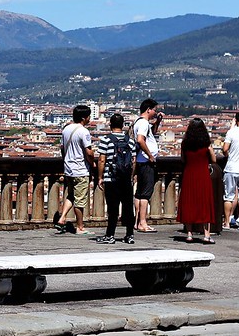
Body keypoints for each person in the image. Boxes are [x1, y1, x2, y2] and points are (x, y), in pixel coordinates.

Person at [54, 105, 95, 235]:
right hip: (80, 169)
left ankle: (62, 218)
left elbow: (62, 148)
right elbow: (88, 152)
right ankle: (80, 227)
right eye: (88, 116)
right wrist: (92, 164)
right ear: (84, 118)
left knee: (71, 195)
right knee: (80, 201)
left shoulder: (66, 129)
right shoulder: (84, 132)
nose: (89, 119)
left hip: (68, 168)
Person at [96, 113, 136, 244]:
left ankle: (110, 235)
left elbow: (102, 160)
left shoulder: (106, 140)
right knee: (128, 208)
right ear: (123, 125)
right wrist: (131, 176)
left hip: (111, 178)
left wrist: (100, 177)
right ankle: (129, 235)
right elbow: (134, 161)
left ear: (110, 125)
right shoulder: (130, 140)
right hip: (126, 179)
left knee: (112, 208)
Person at [177, 118, 217, 244]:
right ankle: (206, 235)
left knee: (189, 202)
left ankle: (189, 234)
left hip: (189, 175)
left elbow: (183, 160)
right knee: (205, 203)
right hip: (203, 175)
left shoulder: (185, 144)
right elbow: (214, 160)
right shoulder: (206, 144)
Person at [133, 98, 163, 233]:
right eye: (154, 110)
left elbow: (151, 135)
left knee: (139, 193)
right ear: (148, 109)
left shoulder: (139, 122)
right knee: (145, 194)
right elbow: (140, 140)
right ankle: (143, 223)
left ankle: (137, 222)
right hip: (146, 162)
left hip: (141, 161)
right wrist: (150, 155)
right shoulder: (144, 123)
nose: (155, 112)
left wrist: (158, 122)